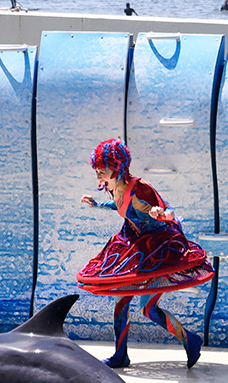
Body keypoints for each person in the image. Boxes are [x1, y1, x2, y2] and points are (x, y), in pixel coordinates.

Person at [78, 139, 214, 369]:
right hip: (132, 247)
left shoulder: (141, 189)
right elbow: (122, 206)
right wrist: (98, 205)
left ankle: (191, 340)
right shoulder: (116, 185)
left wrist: (161, 214)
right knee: (120, 303)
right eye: (97, 171)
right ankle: (120, 355)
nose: (99, 176)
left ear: (118, 167)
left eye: (102, 171)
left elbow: (165, 211)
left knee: (147, 308)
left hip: (157, 249)